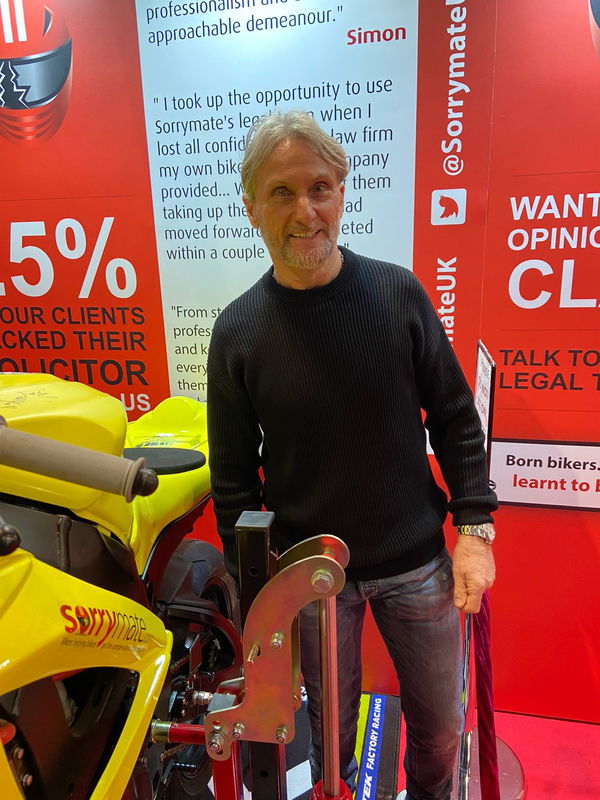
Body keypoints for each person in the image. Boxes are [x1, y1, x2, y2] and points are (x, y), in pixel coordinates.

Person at [207, 109, 497, 800]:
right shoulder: (238, 331)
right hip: (309, 578)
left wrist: (476, 531)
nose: (305, 210)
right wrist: (259, 594)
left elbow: (457, 418)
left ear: (342, 192)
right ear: (251, 208)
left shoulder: (398, 295)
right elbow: (232, 485)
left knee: (437, 730)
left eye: (319, 188)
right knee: (325, 739)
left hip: (417, 564)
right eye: (282, 192)